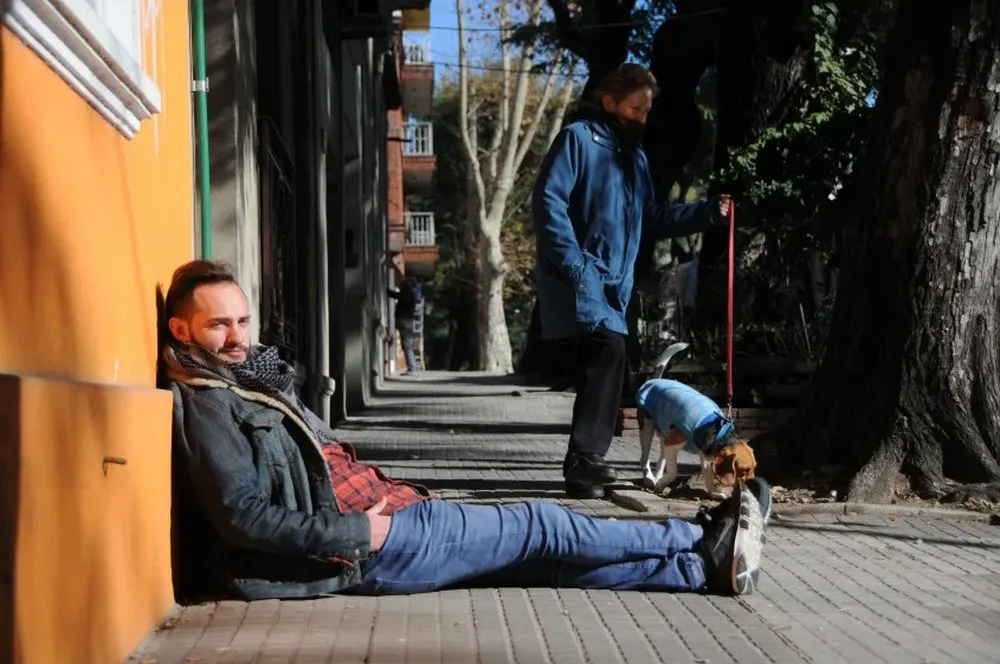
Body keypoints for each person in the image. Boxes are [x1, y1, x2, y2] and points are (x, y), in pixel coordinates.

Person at [162, 260, 771, 602]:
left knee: (544, 561)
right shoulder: (206, 405)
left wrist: (285, 392)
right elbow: (242, 516)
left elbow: (313, 455)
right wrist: (361, 532)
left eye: (243, 319)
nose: (240, 336)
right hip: (370, 544)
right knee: (542, 526)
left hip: (390, 517)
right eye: (219, 326)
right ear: (182, 331)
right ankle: (700, 534)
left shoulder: (247, 381)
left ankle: (701, 569)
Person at [532, 63, 733, 499]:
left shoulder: (634, 159)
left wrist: (706, 212)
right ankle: (585, 459)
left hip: (613, 287)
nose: (642, 117)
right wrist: (575, 266)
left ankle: (582, 469)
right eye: (635, 108)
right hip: (580, 277)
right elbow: (549, 204)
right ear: (610, 103)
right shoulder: (578, 140)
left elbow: (652, 219)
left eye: (647, 110)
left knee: (603, 362)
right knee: (608, 351)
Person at [388, 276, 422, 374]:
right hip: (409, 322)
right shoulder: (412, 294)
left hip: (403, 321)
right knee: (407, 344)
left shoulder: (407, 294)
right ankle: (412, 367)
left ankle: (412, 368)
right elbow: (395, 295)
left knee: (406, 345)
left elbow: (394, 294)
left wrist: (388, 291)